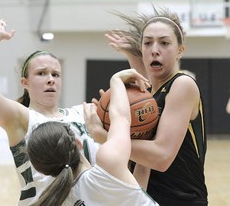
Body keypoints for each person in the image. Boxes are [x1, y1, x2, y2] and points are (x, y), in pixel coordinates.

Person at [0, 18, 100, 206]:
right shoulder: (22, 118)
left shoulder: (82, 113)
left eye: (56, 74)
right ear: (25, 83)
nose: (51, 79)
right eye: (41, 73)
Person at [102, 7, 208, 205]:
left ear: (180, 50)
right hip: (147, 199)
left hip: (183, 200)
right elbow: (143, 77)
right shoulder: (150, 93)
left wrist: (108, 138)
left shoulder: (181, 84)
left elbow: (161, 157)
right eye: (148, 43)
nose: (154, 49)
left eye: (164, 43)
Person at [25, 68, 159, 205]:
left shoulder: (61, 201)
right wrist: (116, 80)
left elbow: (134, 191)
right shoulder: (108, 164)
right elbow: (121, 118)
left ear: (43, 170)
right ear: (78, 143)